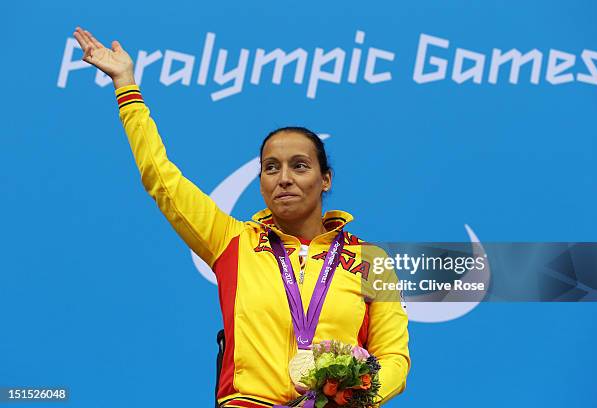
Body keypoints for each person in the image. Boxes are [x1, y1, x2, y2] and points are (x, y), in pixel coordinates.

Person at [73, 27, 410, 407]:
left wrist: (353, 394)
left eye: (299, 166)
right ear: (261, 182)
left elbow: (393, 357)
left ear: (325, 179)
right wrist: (126, 87)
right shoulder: (231, 241)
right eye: (271, 167)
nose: (284, 178)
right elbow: (161, 177)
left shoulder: (371, 261)